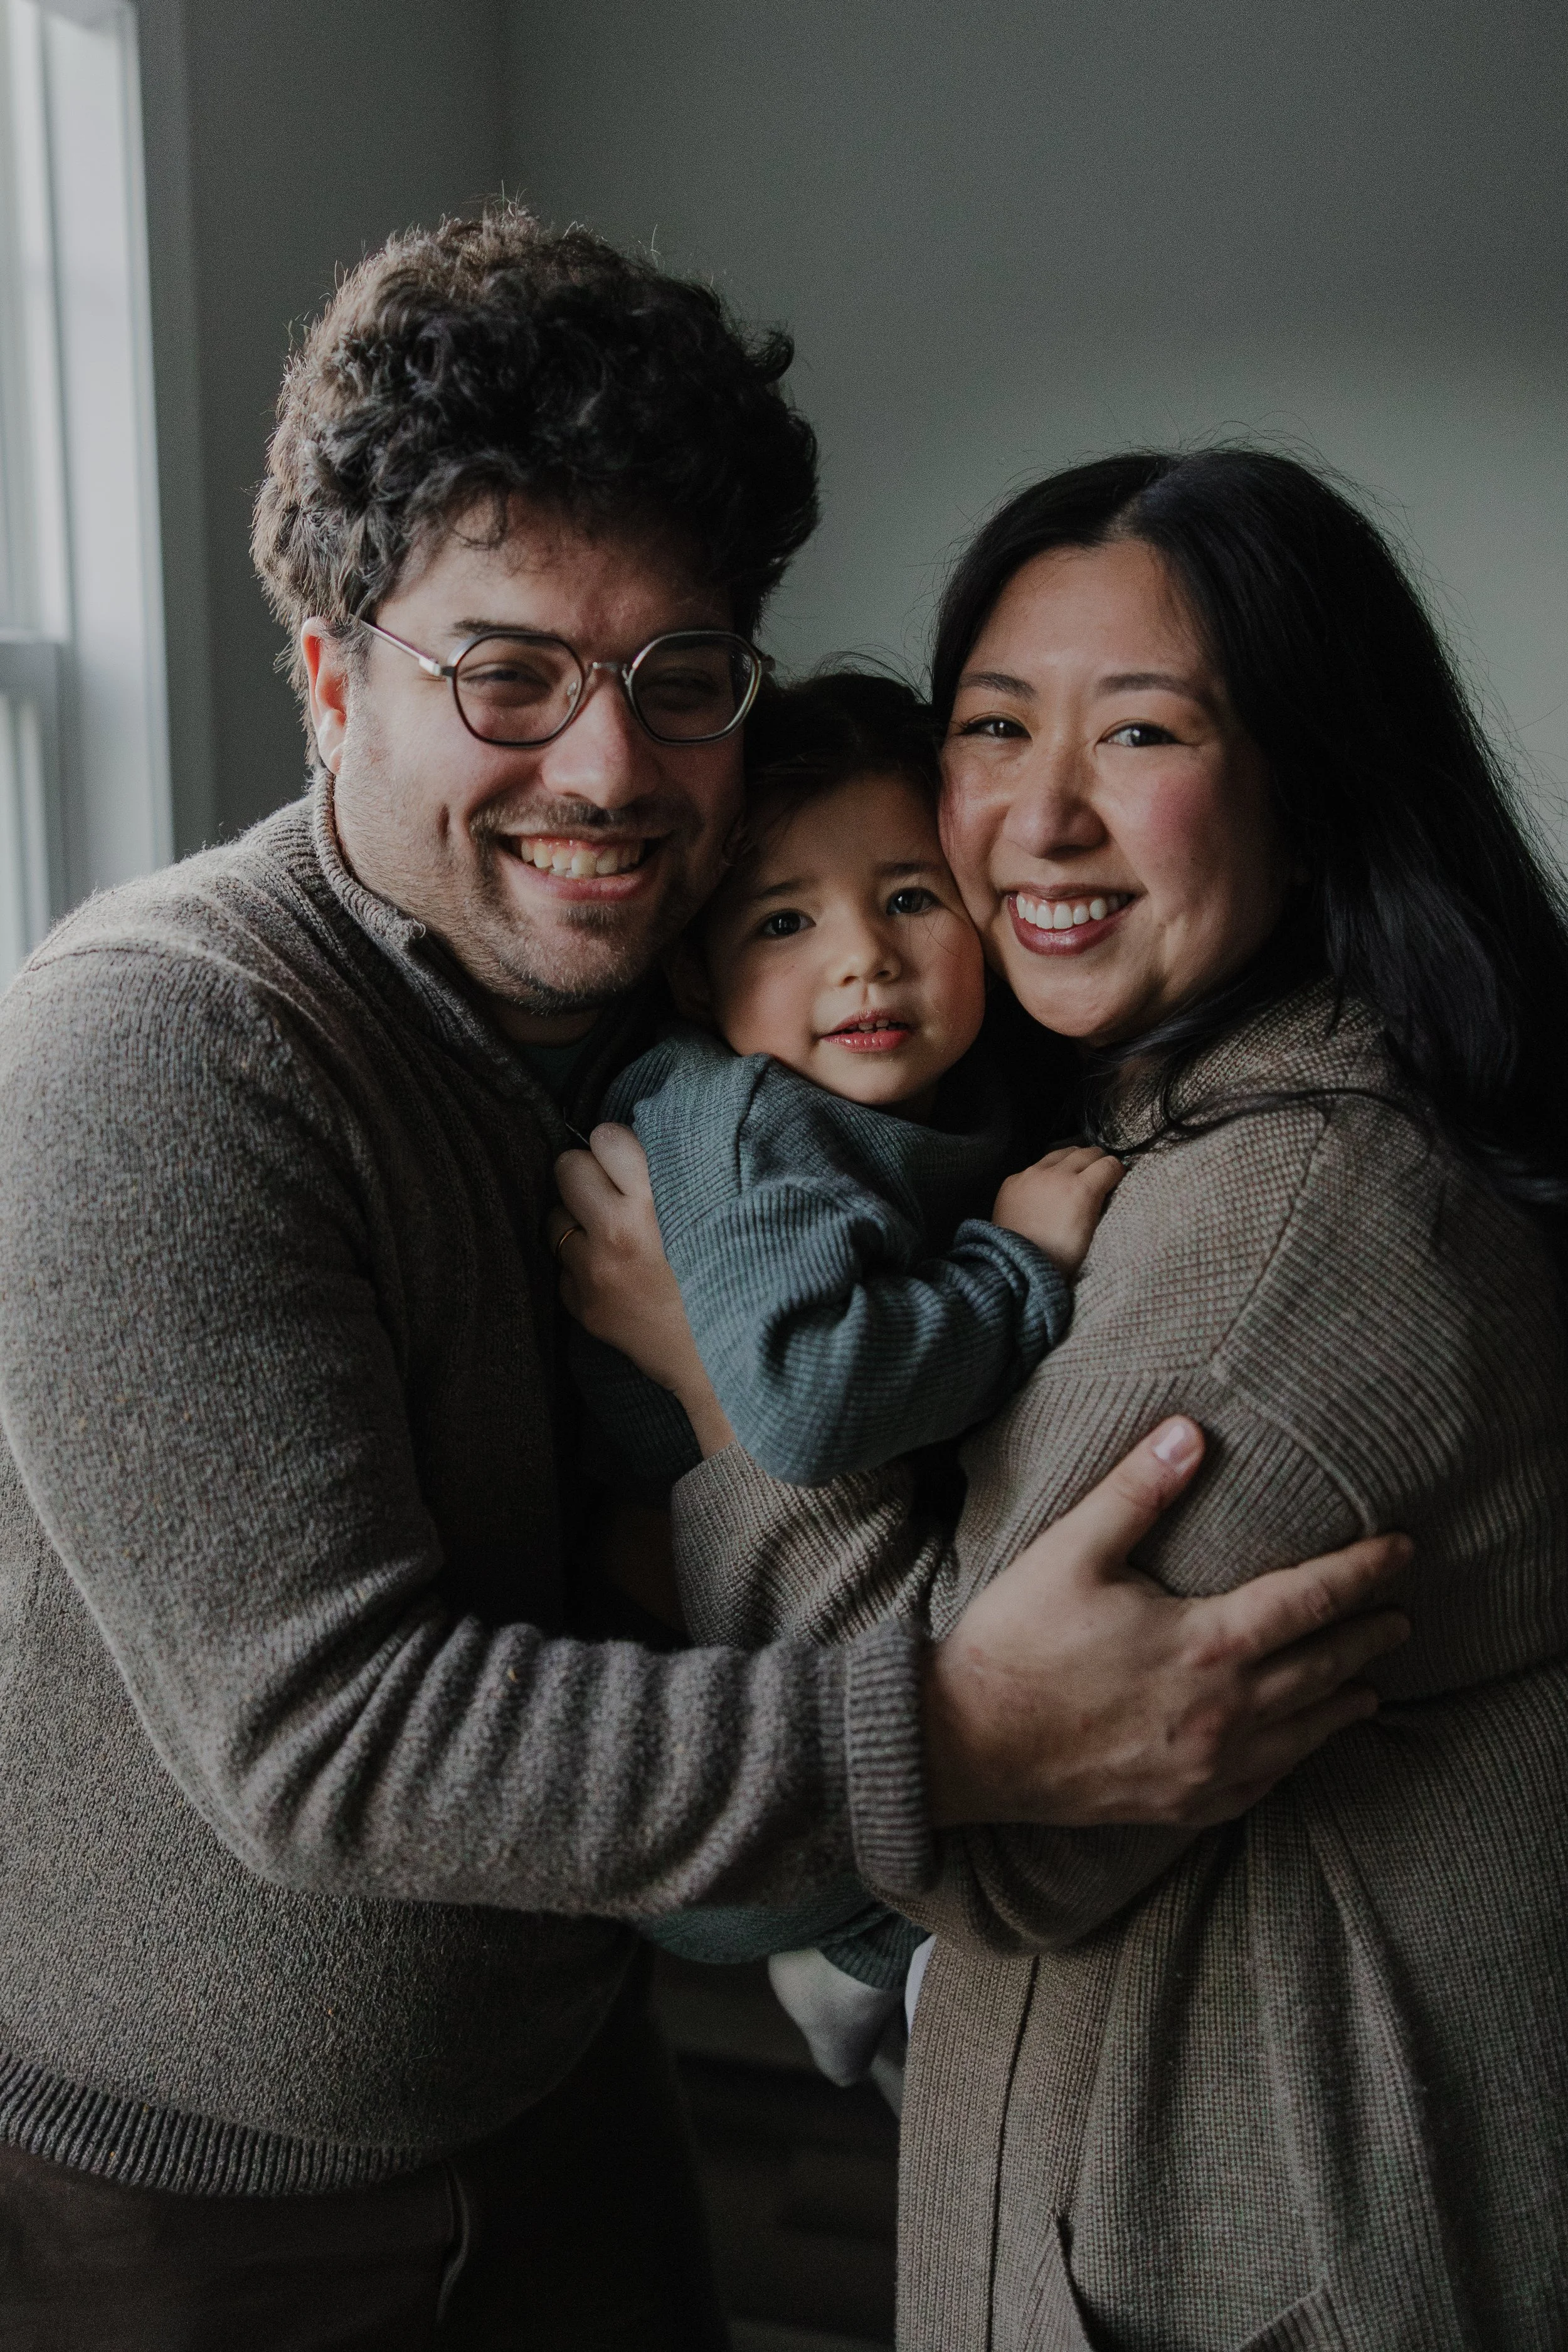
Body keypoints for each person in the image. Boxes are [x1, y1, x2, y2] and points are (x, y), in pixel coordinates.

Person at [0, 200, 1408, 2351]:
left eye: (679, 679)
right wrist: (971, 1728)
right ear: (326, 670)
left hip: (576, 2114)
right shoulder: (150, 1048)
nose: (605, 768)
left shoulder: (700, 1010)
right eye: (507, 674)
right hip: (196, 2222)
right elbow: (331, 1745)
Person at [559, 449, 1568, 2348]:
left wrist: (709, 1380)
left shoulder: (1281, 1243)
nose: (1036, 816)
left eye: (1140, 733)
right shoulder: (1137, 1107)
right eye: (996, 726)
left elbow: (978, 1820)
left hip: (1259, 2263)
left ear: (1306, 775)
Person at [573, 667, 1121, 2088]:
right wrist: (1013, 1269)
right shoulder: (756, 1126)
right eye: (784, 922)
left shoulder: (950, 1089)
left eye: (909, 899)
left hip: (802, 1671)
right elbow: (810, 1402)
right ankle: (855, 1964)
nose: (862, 961)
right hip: (713, 1789)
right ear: (694, 971)